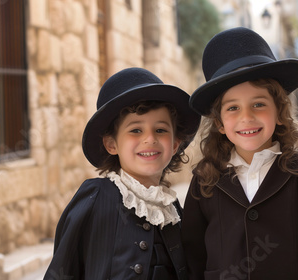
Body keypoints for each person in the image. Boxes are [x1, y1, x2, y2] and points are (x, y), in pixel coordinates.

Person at [182, 27, 298, 279]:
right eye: (233, 108)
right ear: (219, 123)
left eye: (258, 104)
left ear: (279, 111)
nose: (246, 117)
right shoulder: (205, 180)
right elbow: (193, 256)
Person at [44, 67, 200, 280]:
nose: (149, 139)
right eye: (136, 130)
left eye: (160, 130)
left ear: (175, 145)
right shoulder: (96, 197)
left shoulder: (172, 212)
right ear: (111, 144)